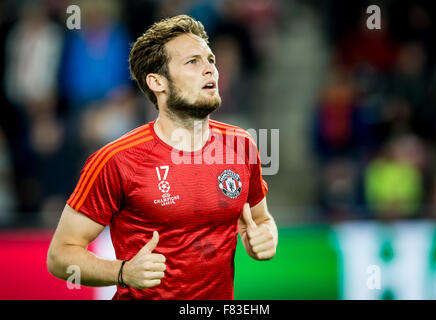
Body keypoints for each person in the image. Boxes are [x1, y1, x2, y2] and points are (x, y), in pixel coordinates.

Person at [47, 15, 278, 300]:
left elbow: (261, 219)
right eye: (193, 62)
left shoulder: (241, 145)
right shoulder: (117, 160)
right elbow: (59, 255)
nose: (211, 70)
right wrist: (123, 271)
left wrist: (266, 237)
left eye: (210, 59)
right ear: (157, 82)